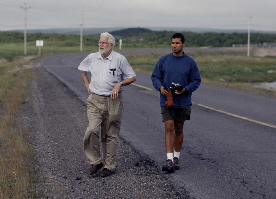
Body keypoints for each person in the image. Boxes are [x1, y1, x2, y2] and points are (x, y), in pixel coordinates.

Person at [78, 32, 136, 177]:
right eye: (100, 42)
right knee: (91, 130)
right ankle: (95, 161)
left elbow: (132, 76)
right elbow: (82, 69)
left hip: (113, 100)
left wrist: (119, 84)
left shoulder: (119, 59)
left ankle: (108, 166)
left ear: (111, 45)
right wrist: (87, 83)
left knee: (110, 134)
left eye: (104, 43)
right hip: (95, 99)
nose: (101, 45)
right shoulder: (92, 57)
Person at [151, 33, 201, 173]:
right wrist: (160, 87)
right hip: (167, 100)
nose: (174, 46)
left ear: (183, 44)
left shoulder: (190, 62)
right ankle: (169, 159)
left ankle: (177, 156)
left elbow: (196, 80)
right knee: (169, 127)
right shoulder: (163, 60)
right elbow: (155, 77)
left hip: (183, 101)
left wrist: (185, 89)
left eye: (177, 43)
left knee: (179, 129)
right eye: (172, 43)